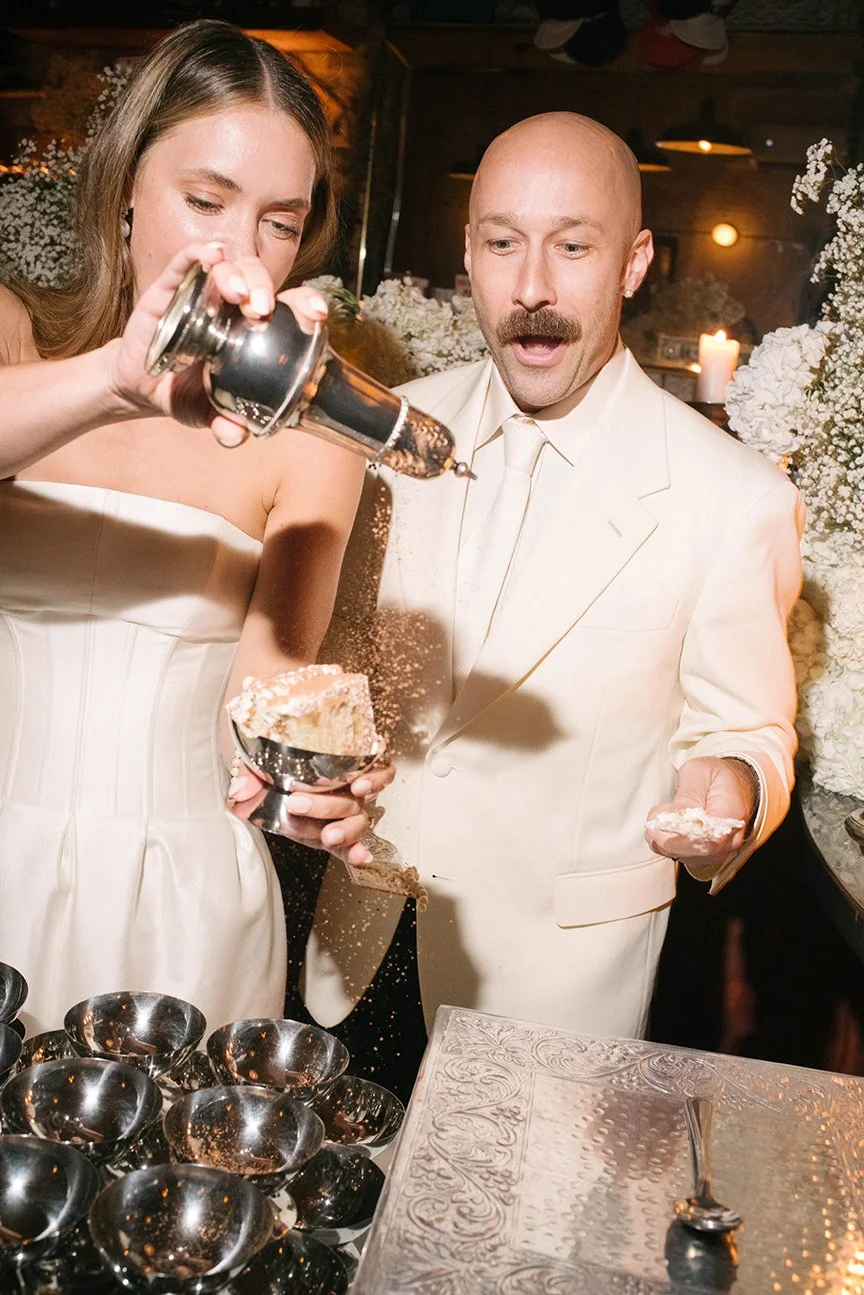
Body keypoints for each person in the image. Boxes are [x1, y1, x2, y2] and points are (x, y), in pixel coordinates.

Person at [300, 112, 804, 1054]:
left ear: (633, 263)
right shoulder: (388, 430)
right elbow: (330, 657)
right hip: (350, 952)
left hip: (551, 998)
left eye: (573, 247)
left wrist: (731, 786)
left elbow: (747, 731)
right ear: (468, 253)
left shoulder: (734, 498)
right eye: (503, 244)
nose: (532, 288)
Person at [0, 20, 391, 1036]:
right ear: (127, 186)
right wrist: (117, 379)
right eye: (206, 202)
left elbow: (253, 712)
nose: (238, 253)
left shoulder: (310, 439)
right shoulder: (15, 337)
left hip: (182, 900)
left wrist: (307, 783)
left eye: (278, 222)